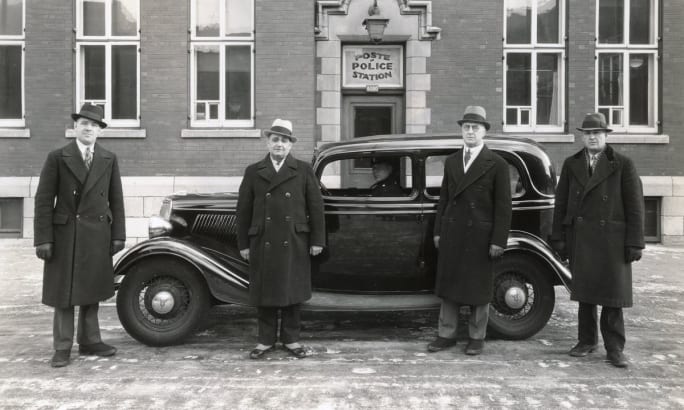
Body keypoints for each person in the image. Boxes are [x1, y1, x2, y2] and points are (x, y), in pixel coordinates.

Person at [34, 103, 126, 368]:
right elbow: (43, 201)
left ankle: (90, 340)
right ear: (75, 127)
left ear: (100, 132)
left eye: (95, 125)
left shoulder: (108, 159)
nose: (89, 128)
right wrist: (43, 238)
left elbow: (116, 199)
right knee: (64, 293)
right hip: (65, 234)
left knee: (92, 288)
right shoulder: (57, 157)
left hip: (97, 233)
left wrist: (118, 233)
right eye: (84, 123)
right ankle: (62, 346)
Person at [551, 112, 644, 368]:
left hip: (613, 240)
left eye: (597, 133)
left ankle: (615, 348)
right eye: (588, 133)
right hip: (581, 237)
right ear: (583, 136)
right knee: (586, 293)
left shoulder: (623, 164)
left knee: (613, 297)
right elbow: (560, 203)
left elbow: (635, 206)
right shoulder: (572, 164)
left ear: (606, 136)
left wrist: (635, 242)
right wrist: (558, 236)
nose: (592, 137)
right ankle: (586, 341)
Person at [236, 118, 326, 359]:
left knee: (291, 291)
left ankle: (291, 339)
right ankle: (265, 341)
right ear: (268, 142)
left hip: (294, 239)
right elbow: (243, 210)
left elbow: (316, 207)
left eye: (284, 140)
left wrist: (317, 240)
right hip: (263, 239)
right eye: (275, 139)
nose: (279, 144)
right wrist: (243, 244)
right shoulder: (253, 171)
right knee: (265, 292)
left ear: (290, 145)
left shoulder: (303, 170)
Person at [428, 106, 512, 356]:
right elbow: (443, 198)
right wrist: (438, 231)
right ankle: (446, 334)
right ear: (461, 131)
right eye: (466, 127)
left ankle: (477, 337)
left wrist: (499, 239)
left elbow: (503, 206)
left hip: (481, 236)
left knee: (478, 288)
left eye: (475, 127)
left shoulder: (496, 163)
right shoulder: (453, 161)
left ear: (484, 131)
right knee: (449, 285)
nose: (470, 131)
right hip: (453, 233)